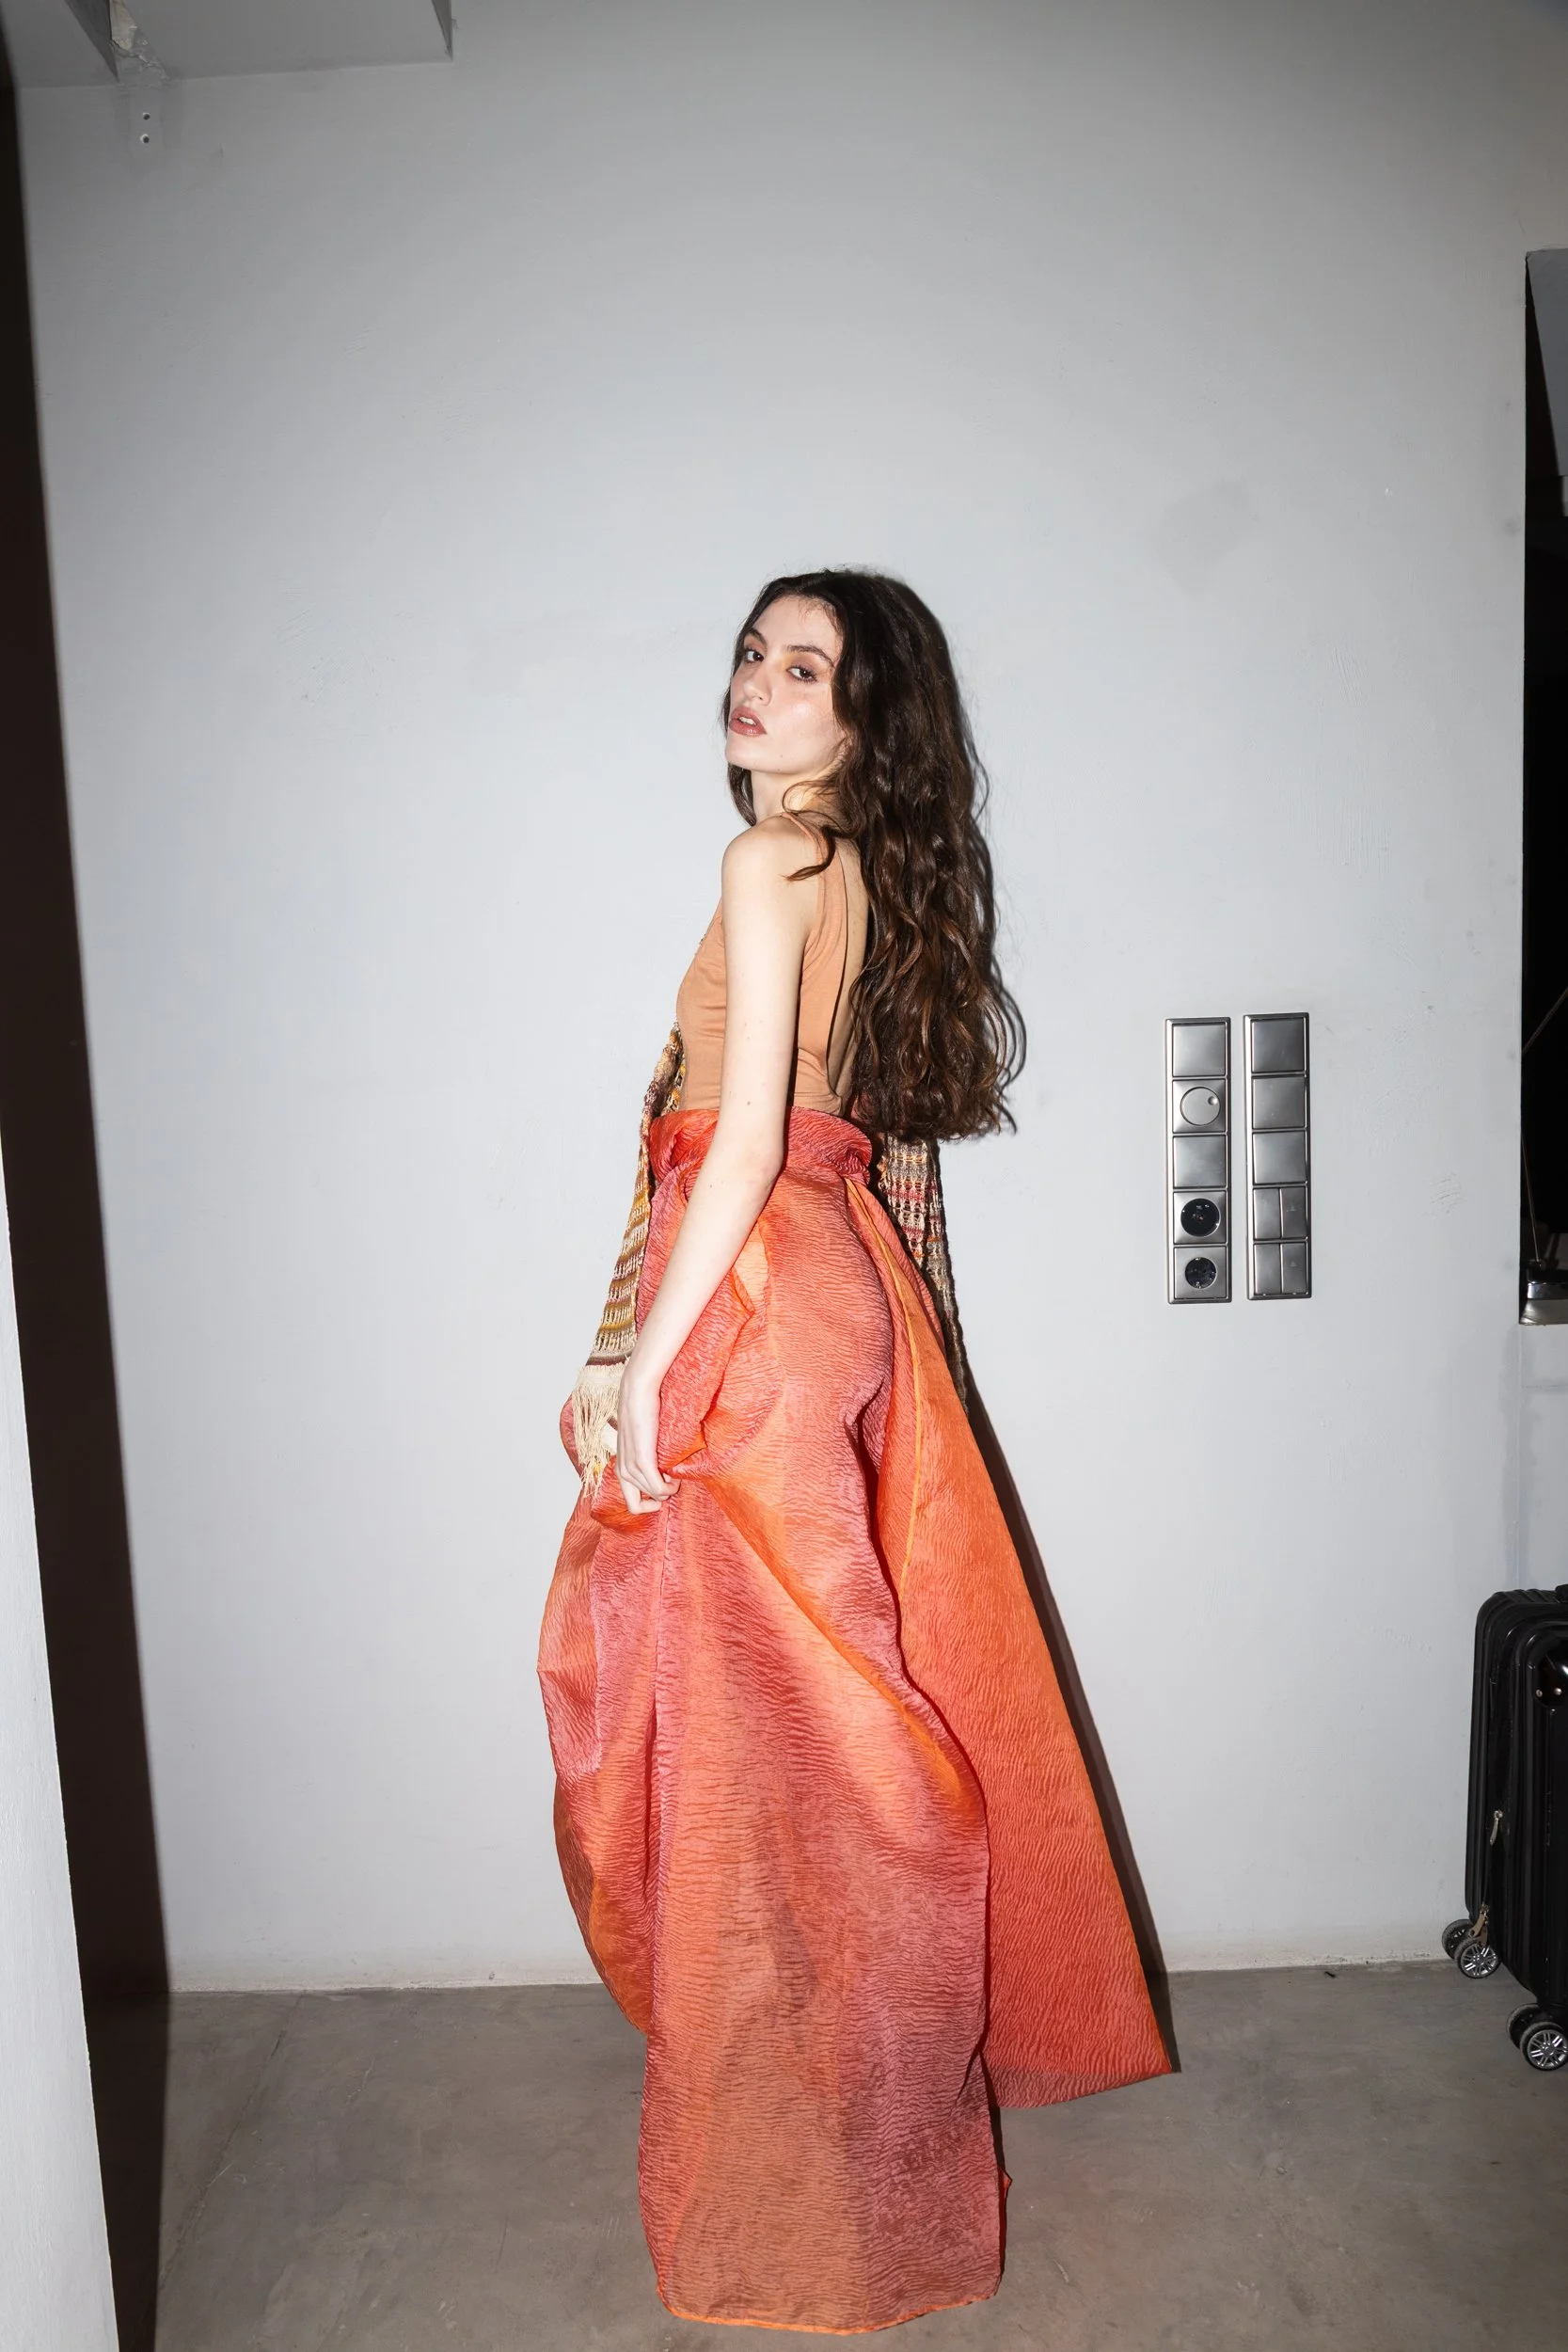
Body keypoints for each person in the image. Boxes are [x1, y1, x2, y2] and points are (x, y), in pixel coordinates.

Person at [538, 569, 1169, 2333]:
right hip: (806, 1285)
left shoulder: (769, 864)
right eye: (751, 654)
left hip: (750, 1292)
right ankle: (849, 2088)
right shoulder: (851, 872)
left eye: (803, 667)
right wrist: (619, 1340)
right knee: (804, 1737)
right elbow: (782, 1150)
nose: (756, 685)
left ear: (864, 716)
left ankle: (825, 2155)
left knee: (768, 1756)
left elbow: (732, 1149)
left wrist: (651, 1366)